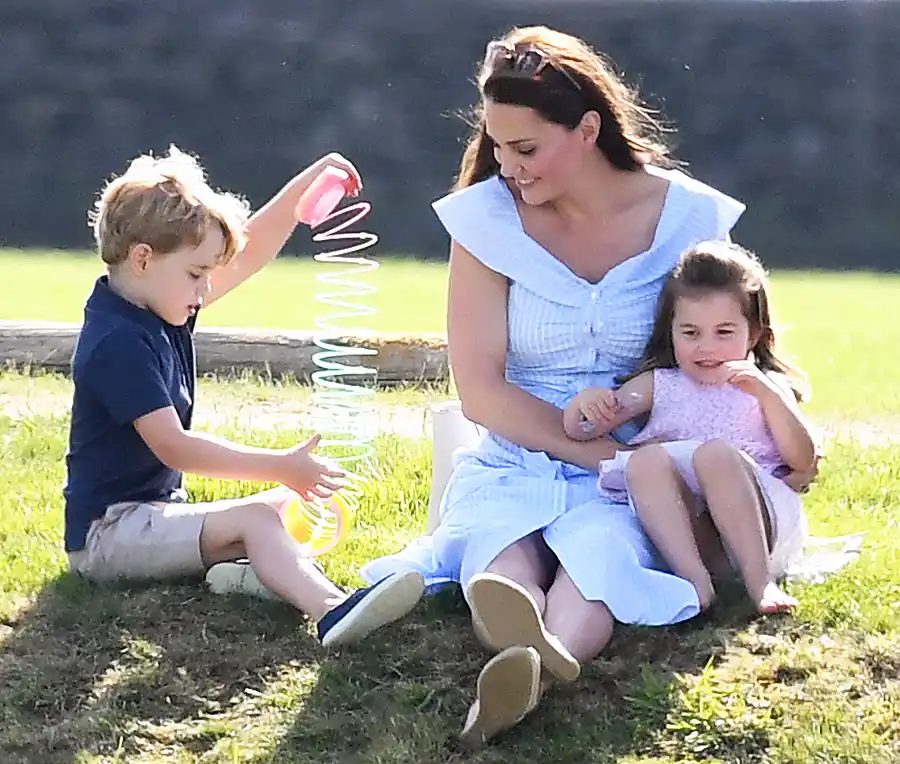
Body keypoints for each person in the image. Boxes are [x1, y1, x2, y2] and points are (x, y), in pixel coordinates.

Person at [360, 25, 816, 747]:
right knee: (500, 554)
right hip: (521, 448)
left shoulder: (692, 218)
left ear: (588, 129)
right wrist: (597, 456)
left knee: (599, 562)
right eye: (498, 146)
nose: (507, 167)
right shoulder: (485, 221)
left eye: (528, 149)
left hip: (646, 466)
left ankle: (534, 671)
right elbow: (480, 390)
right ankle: (517, 643)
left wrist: (767, 432)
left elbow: (737, 343)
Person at [63, 146, 425, 648]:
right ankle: (332, 611)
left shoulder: (156, 298)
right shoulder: (117, 342)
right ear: (143, 258)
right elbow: (176, 447)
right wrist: (280, 464)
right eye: (197, 274)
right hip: (109, 536)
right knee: (258, 517)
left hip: (148, 516)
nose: (206, 289)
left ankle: (245, 576)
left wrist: (306, 185)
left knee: (279, 509)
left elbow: (250, 252)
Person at [564, 240, 817, 614]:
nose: (707, 348)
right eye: (691, 333)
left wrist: (767, 395)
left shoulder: (763, 387)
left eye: (724, 332)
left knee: (714, 454)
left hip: (763, 529)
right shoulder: (661, 384)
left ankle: (760, 584)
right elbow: (584, 428)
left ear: (755, 335)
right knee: (644, 461)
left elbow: (802, 459)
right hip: (697, 536)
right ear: (672, 332)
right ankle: (695, 584)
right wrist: (584, 405)